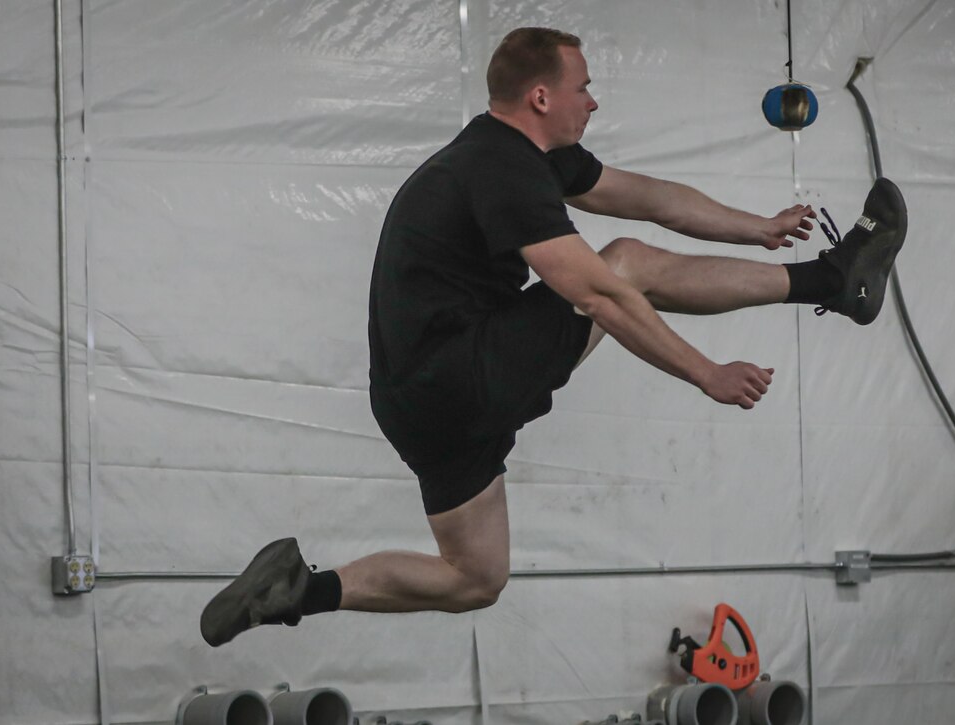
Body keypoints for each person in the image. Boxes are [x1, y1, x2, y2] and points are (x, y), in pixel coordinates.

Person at [200, 27, 906, 647]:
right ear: (540, 96)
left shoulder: (519, 156)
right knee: (620, 264)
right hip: (460, 372)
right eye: (584, 87)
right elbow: (597, 292)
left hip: (414, 405)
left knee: (476, 575)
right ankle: (830, 282)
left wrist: (753, 224)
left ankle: (299, 590)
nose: (593, 102)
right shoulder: (502, 168)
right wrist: (705, 372)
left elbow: (652, 197)